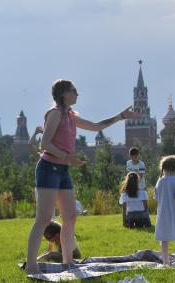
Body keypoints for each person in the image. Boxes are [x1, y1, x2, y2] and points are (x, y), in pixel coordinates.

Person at [25, 79, 139, 274]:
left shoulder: (70, 115)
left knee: (70, 216)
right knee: (43, 219)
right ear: (64, 94)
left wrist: (120, 116)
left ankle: (68, 261)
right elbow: (45, 144)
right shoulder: (55, 114)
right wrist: (68, 157)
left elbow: (96, 126)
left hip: (62, 170)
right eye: (74, 90)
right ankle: (31, 266)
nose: (77, 93)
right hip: (48, 167)